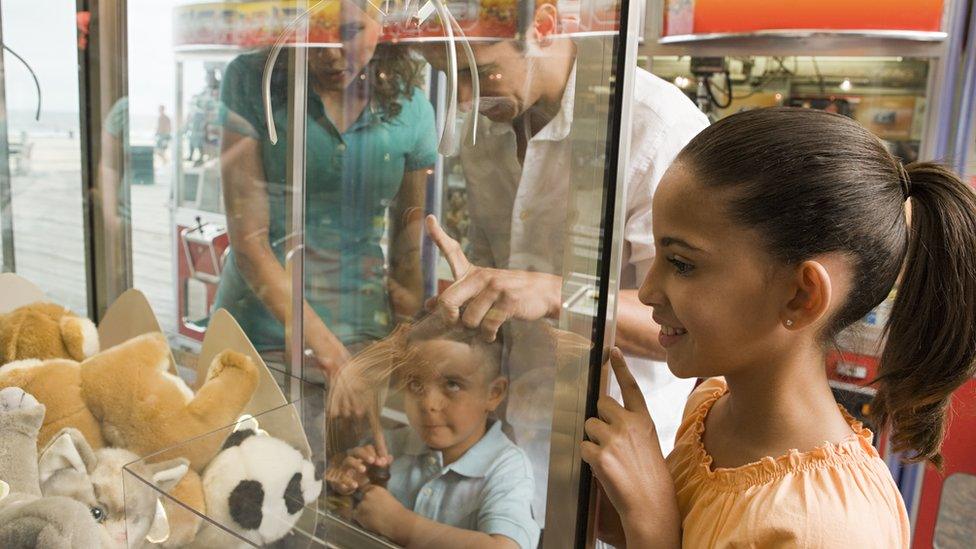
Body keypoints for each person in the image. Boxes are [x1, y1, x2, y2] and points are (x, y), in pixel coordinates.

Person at [582, 107, 976, 547]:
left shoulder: (828, 529)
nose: (650, 290)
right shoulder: (710, 408)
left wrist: (650, 518)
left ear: (801, 296)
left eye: (681, 263)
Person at [420, 1, 709, 522]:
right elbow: (502, 282)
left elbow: (693, 327)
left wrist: (557, 293)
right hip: (509, 435)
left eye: (479, 73)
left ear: (544, 25)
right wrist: (466, 312)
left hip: (615, 456)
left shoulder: (652, 127)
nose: (465, 98)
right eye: (449, 77)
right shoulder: (487, 130)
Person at [214, 0, 437, 375]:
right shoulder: (253, 81)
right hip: (261, 325)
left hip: (363, 325)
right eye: (311, 34)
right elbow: (250, 241)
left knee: (355, 435)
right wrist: (326, 348)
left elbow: (407, 242)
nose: (331, 55)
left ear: (383, 25)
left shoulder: (411, 104)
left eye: (350, 32)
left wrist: (405, 332)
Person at [326, 328, 539, 549]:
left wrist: (397, 523)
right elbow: (345, 513)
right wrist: (353, 487)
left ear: (493, 393)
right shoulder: (389, 446)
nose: (429, 404)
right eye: (416, 384)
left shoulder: (507, 468)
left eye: (452, 384)